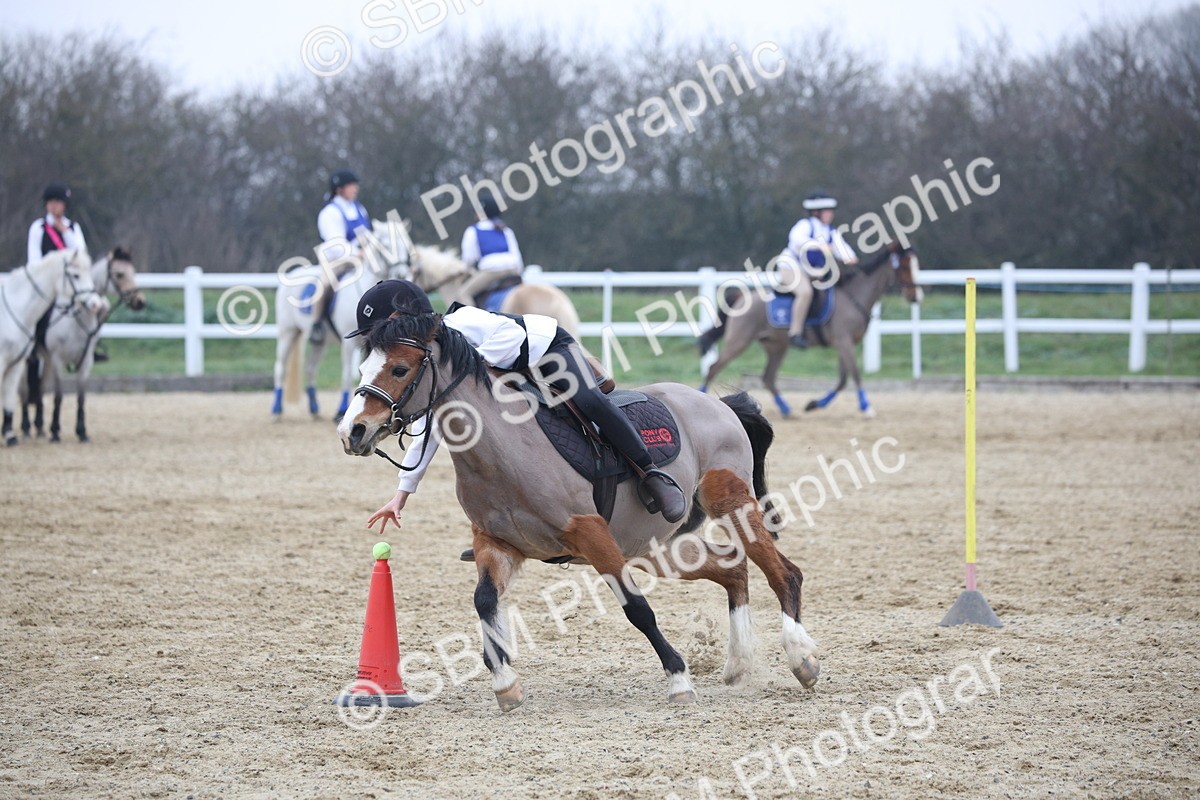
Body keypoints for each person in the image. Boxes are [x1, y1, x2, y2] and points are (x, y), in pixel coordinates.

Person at [346, 280, 687, 535]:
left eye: (377, 331)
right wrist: (401, 495)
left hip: (547, 349)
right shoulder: (428, 360)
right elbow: (435, 426)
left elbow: (511, 338)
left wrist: (474, 368)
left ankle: (653, 475)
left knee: (589, 402)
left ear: (399, 318)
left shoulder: (459, 324)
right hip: (508, 369)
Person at [25, 184, 100, 361]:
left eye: (58, 202)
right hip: (47, 285)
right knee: (35, 313)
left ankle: (90, 346)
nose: (54, 206)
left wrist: (65, 233)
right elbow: (34, 260)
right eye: (51, 202)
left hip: (71, 285)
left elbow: (81, 256)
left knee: (96, 307)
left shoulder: (73, 228)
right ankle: (33, 348)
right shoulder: (39, 228)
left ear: (64, 205)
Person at [779, 191, 858, 349]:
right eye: (827, 210)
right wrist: (821, 246)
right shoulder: (804, 225)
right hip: (791, 267)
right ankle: (795, 333)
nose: (831, 214)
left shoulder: (831, 231)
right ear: (816, 212)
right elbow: (796, 239)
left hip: (812, 272)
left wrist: (850, 257)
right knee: (805, 292)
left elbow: (843, 250)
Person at [312, 169, 370, 343]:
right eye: (351, 186)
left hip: (362, 258)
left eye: (355, 185)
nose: (355, 189)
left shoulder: (359, 208)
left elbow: (367, 233)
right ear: (339, 189)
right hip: (336, 260)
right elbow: (335, 244)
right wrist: (357, 252)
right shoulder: (330, 212)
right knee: (325, 283)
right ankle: (317, 324)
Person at [451, 194, 524, 308]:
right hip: (513, 269)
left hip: (491, 271)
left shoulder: (473, 230)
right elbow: (517, 256)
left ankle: (473, 323)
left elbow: (469, 259)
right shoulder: (505, 230)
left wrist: (466, 270)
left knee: (463, 294)